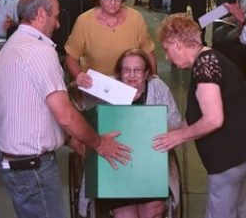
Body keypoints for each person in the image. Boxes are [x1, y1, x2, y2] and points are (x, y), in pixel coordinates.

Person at [0, 0, 131, 218]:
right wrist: (98, 143)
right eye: (55, 17)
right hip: (32, 168)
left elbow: (32, 107)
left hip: (14, 163)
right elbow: (64, 114)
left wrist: (68, 139)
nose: (57, 25)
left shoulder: (11, 46)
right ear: (40, 15)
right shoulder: (39, 51)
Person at [153, 13, 246, 218]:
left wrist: (179, 137)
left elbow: (213, 119)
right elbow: (195, 116)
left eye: (167, 50)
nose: (167, 57)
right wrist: (170, 134)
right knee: (236, 208)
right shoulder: (210, 58)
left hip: (230, 155)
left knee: (220, 212)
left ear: (177, 44)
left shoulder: (205, 68)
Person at [79, 49, 184, 218]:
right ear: (119, 73)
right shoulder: (107, 87)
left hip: (150, 168)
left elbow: (175, 123)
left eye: (138, 70)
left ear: (147, 73)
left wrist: (160, 136)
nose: (132, 75)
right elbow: (78, 104)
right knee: (126, 215)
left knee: (153, 210)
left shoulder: (157, 87)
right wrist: (79, 82)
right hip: (114, 168)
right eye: (126, 70)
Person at [66, 0, 156, 84]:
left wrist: (153, 81)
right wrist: (79, 75)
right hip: (95, 85)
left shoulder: (136, 18)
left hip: (130, 84)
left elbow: (148, 53)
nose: (113, 3)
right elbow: (71, 57)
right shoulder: (84, 21)